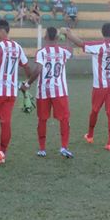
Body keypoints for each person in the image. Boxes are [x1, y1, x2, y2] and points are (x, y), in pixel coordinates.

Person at [0, 19, 34, 166]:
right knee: (5, 123)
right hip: (11, 92)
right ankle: (2, 155)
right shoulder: (17, 47)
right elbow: (27, 67)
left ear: (2, 30)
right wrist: (27, 83)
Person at [63, 17, 110, 151]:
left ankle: (90, 135)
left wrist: (68, 34)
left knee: (95, 110)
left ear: (103, 33)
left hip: (99, 86)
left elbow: (80, 44)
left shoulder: (98, 46)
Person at [25, 26, 75, 158]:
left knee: (42, 120)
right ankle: (64, 147)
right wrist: (68, 35)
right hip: (60, 91)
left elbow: (38, 70)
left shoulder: (41, 52)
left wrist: (27, 84)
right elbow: (71, 50)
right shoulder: (63, 51)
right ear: (58, 38)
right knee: (64, 119)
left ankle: (42, 149)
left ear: (45, 37)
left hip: (43, 91)